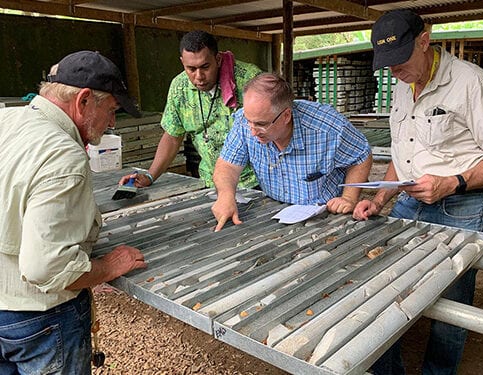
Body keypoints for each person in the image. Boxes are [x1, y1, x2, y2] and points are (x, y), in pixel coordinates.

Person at [352, 9, 483, 375]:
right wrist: (379, 199)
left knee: (452, 309)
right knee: (389, 291)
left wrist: (452, 182)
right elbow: (402, 154)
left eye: (399, 61)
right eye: (386, 64)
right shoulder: (402, 84)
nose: (393, 71)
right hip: (409, 203)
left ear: (425, 41)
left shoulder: (472, 83)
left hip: (460, 207)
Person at [0, 50, 147, 374]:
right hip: (39, 317)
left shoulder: (5, 119)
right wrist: (106, 267)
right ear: (83, 101)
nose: (111, 123)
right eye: (111, 110)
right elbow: (45, 267)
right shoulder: (64, 156)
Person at [212, 73, 373, 231]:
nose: (253, 131)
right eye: (249, 121)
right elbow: (228, 166)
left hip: (325, 213)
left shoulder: (328, 127)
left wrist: (348, 198)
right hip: (275, 208)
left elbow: (361, 155)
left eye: (261, 124)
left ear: (286, 115)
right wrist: (226, 195)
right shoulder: (244, 121)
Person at [119, 30, 261, 189]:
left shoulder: (250, 81)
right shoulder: (179, 88)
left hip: (255, 182)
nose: (199, 76)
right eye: (191, 69)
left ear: (218, 59)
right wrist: (150, 176)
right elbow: (173, 136)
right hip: (211, 182)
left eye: (205, 67)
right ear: (182, 62)